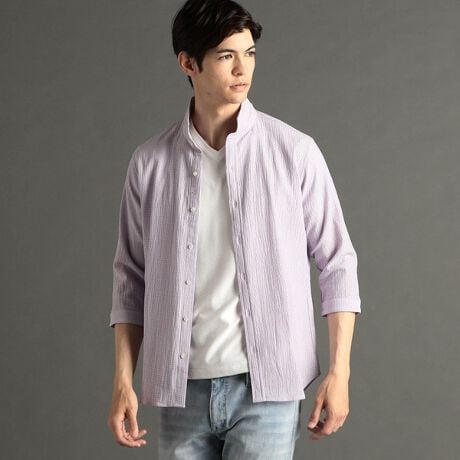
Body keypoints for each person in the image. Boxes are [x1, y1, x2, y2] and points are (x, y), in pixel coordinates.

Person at [107, 0, 362, 458]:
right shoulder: (149, 163)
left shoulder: (294, 153)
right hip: (181, 392)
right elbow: (131, 277)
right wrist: (123, 380)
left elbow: (338, 262)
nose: (243, 69)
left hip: (268, 390)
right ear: (188, 63)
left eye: (250, 53)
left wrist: (339, 372)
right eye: (227, 55)